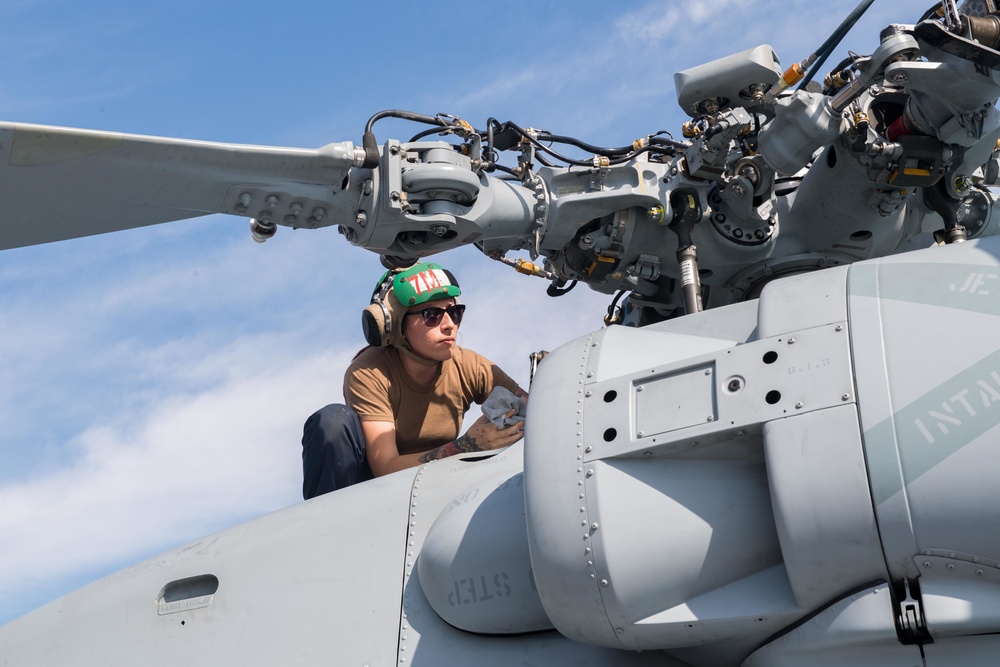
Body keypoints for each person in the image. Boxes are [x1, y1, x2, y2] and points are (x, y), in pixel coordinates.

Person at [301, 261, 527, 499]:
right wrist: (466, 447)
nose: (450, 325)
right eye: (432, 315)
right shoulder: (368, 372)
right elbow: (386, 466)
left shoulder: (468, 365)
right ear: (394, 324)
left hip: (440, 487)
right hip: (371, 491)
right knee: (333, 422)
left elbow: (531, 405)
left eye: (454, 312)